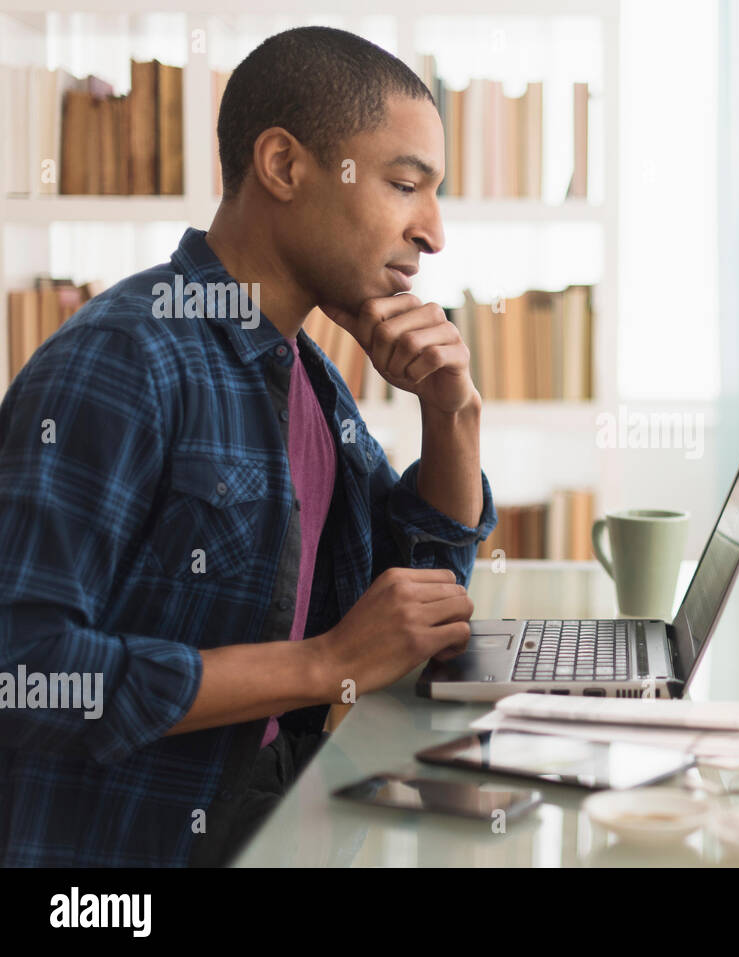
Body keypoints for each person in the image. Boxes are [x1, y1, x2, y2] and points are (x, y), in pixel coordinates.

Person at [0, 25, 496, 866]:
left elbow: (418, 602)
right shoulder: (125, 360)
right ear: (284, 166)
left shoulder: (301, 369)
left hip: (274, 811)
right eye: (405, 184)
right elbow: (27, 672)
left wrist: (452, 415)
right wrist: (322, 662)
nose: (434, 232)